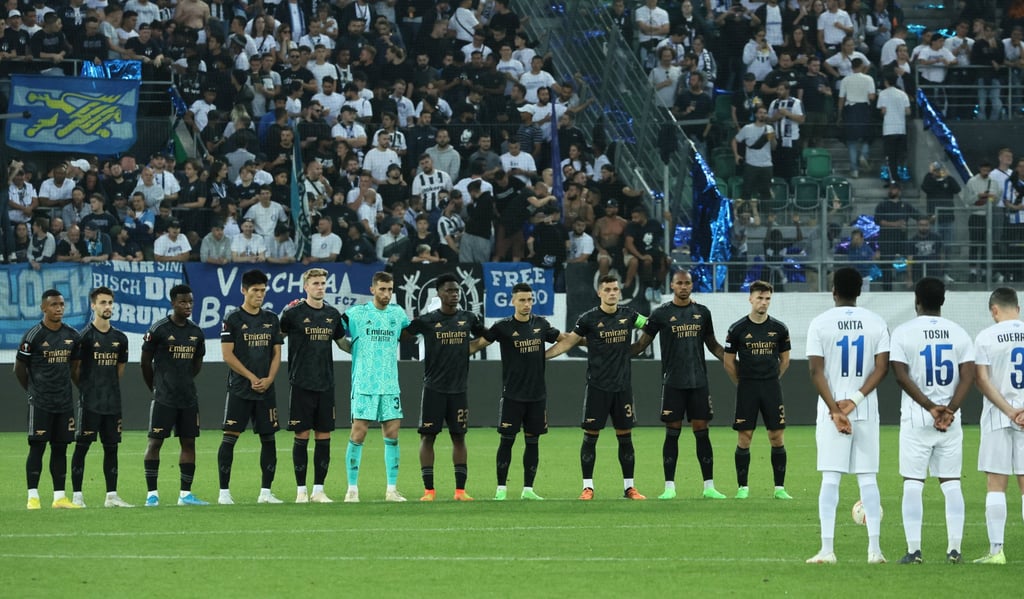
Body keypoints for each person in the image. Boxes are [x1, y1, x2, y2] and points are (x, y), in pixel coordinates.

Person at [805, 267, 891, 565]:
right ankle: (875, 550)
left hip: (831, 412)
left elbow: (816, 371)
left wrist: (835, 409)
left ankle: (827, 549)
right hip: (864, 408)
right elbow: (882, 368)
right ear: (860, 292)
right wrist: (854, 401)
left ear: (833, 291)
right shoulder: (876, 322)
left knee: (831, 477)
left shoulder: (819, 323)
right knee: (868, 478)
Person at [890, 277, 974, 564]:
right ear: (943, 300)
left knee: (913, 482)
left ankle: (914, 551)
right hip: (950, 422)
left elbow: (900, 375)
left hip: (917, 419)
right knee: (951, 483)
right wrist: (949, 409)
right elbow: (968, 376)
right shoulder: (959, 333)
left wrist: (929, 407)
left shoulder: (903, 332)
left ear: (917, 301)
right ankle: (954, 549)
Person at [544, 275, 648, 500]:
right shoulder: (588, 319)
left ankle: (629, 488)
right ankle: (588, 487)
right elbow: (568, 342)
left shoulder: (629, 315)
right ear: (599, 293)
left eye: (615, 289)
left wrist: (639, 346)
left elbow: (652, 324)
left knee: (625, 438)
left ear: (620, 292)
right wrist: (542, 357)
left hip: (622, 388)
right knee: (591, 437)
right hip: (597, 388)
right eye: (607, 289)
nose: (612, 293)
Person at [631, 270, 727, 500]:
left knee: (702, 433)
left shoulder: (702, 313)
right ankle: (669, 487)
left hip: (698, 382)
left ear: (692, 285)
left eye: (687, 283)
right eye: (679, 283)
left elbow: (713, 345)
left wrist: (732, 360)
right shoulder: (661, 314)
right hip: (673, 382)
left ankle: (709, 487)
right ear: (672, 285)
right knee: (672, 434)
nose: (684, 287)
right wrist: (619, 355)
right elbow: (642, 343)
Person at [470, 283, 562, 500]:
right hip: (512, 395)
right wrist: (450, 351)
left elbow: (566, 339)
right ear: (512, 301)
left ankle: (528, 490)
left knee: (533, 442)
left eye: (530, 299)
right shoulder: (502, 327)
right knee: (507, 441)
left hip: (537, 396)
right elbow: (477, 345)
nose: (527, 304)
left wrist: (547, 354)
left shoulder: (541, 324)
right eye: (522, 300)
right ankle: (501, 489)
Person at [403, 274, 486, 501]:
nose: (454, 294)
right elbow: (403, 335)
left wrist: (466, 349)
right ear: (439, 294)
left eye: (457, 291)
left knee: (459, 437)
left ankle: (460, 491)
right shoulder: (427, 320)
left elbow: (486, 336)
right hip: (434, 389)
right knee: (428, 438)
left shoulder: (468, 318)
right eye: (449, 291)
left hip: (459, 390)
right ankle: (429, 490)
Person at [341, 271, 411, 502]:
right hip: (364, 383)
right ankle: (352, 489)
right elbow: (333, 328)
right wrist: (350, 348)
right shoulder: (358, 314)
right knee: (358, 433)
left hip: (390, 383)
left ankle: (391, 490)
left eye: (390, 289)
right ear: (372, 290)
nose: (386, 294)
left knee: (392, 434)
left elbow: (412, 331)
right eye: (382, 289)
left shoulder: (398, 314)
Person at [279, 268, 347, 503]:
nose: (320, 287)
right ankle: (301, 491)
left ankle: (319, 490)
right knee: (302, 434)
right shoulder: (292, 313)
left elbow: (343, 344)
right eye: (315, 283)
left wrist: (367, 347)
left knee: (324, 435)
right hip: (301, 382)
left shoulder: (332, 314)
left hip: (325, 383)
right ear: (305, 287)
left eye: (323, 283)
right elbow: (277, 339)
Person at [217, 270, 285, 505]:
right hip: (240, 389)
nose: (259, 295)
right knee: (230, 437)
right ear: (243, 291)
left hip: (266, 390)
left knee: (269, 439)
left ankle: (266, 493)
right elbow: (227, 354)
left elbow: (277, 354)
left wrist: (268, 379)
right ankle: (224, 493)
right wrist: (251, 377)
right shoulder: (232, 319)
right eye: (255, 290)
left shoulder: (271, 319)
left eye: (263, 290)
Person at [723, 280, 792, 500]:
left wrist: (771, 379)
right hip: (747, 387)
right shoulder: (737, 329)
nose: (764, 302)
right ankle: (743, 487)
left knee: (776, 437)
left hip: (771, 387)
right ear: (750, 299)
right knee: (745, 437)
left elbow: (785, 360)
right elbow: (728, 361)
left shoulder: (779, 329)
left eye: (768, 298)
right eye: (760, 298)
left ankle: (779, 488)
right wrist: (742, 382)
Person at [140, 284, 208, 506]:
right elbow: (145, 362)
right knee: (155, 443)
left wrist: (184, 381)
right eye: (183, 302)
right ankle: (152, 494)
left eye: (190, 302)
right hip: (164, 398)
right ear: (172, 303)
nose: (188, 306)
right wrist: (156, 386)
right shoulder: (159, 329)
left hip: (188, 398)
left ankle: (185, 495)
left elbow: (197, 364)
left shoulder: (196, 332)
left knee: (189, 444)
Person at [16, 289, 82, 510]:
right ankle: (33, 497)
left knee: (60, 448)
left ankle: (59, 497)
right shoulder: (33, 335)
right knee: (37, 448)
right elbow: (19, 369)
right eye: (54, 305)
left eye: (62, 304)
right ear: (44, 308)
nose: (59, 309)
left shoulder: (72, 335)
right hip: (41, 403)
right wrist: (33, 391)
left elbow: (75, 367)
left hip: (64, 403)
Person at [973, 287, 1024, 564]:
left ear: (994, 310)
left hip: (997, 417)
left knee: (996, 485)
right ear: (1017, 307)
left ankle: (996, 551)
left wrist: (1009, 410)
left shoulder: (985, 337)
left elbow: (981, 379)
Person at [68, 287, 132, 508]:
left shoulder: (120, 339)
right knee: (82, 447)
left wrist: (107, 387)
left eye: (110, 303)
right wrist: (88, 388)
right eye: (103, 303)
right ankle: (77, 496)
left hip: (112, 403)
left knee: (111, 448)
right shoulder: (82, 338)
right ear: (93, 306)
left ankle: (111, 496)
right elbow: (74, 370)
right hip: (90, 403)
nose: (107, 307)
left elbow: (119, 370)